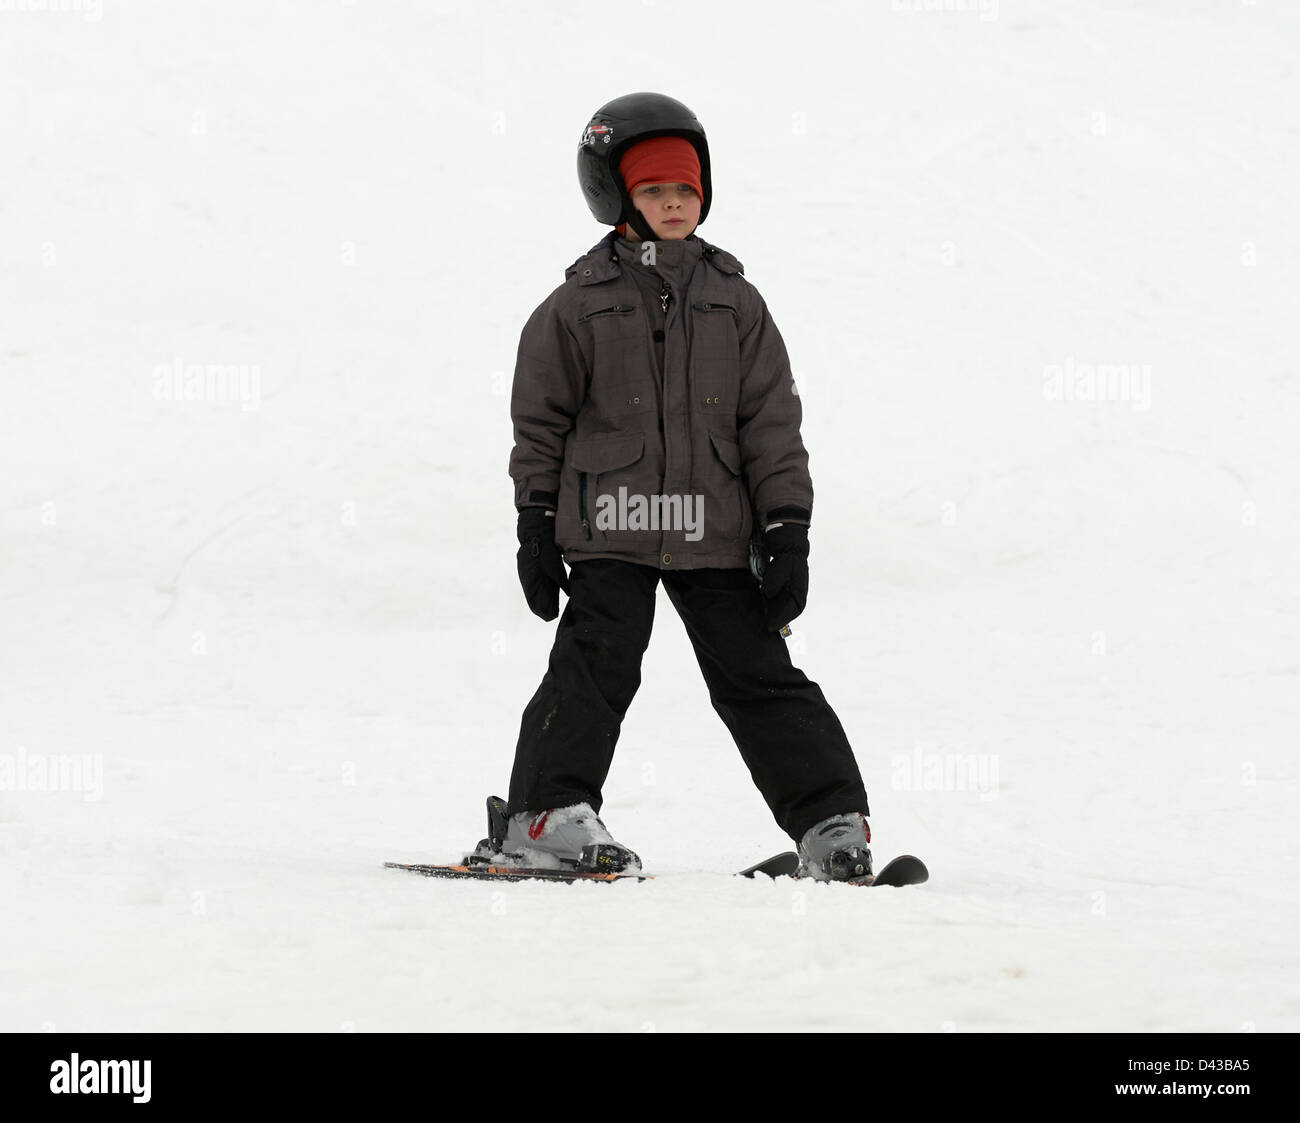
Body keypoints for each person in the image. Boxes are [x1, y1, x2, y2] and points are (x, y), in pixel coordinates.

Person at [495, 92, 873, 881]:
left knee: (758, 672)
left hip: (714, 527)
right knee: (597, 662)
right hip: (610, 524)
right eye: (655, 191)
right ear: (618, 197)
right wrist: (535, 521)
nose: (673, 204)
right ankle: (543, 815)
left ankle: (831, 823)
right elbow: (541, 422)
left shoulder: (737, 302)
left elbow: (771, 423)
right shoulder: (575, 306)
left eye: (686, 191)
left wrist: (786, 527)